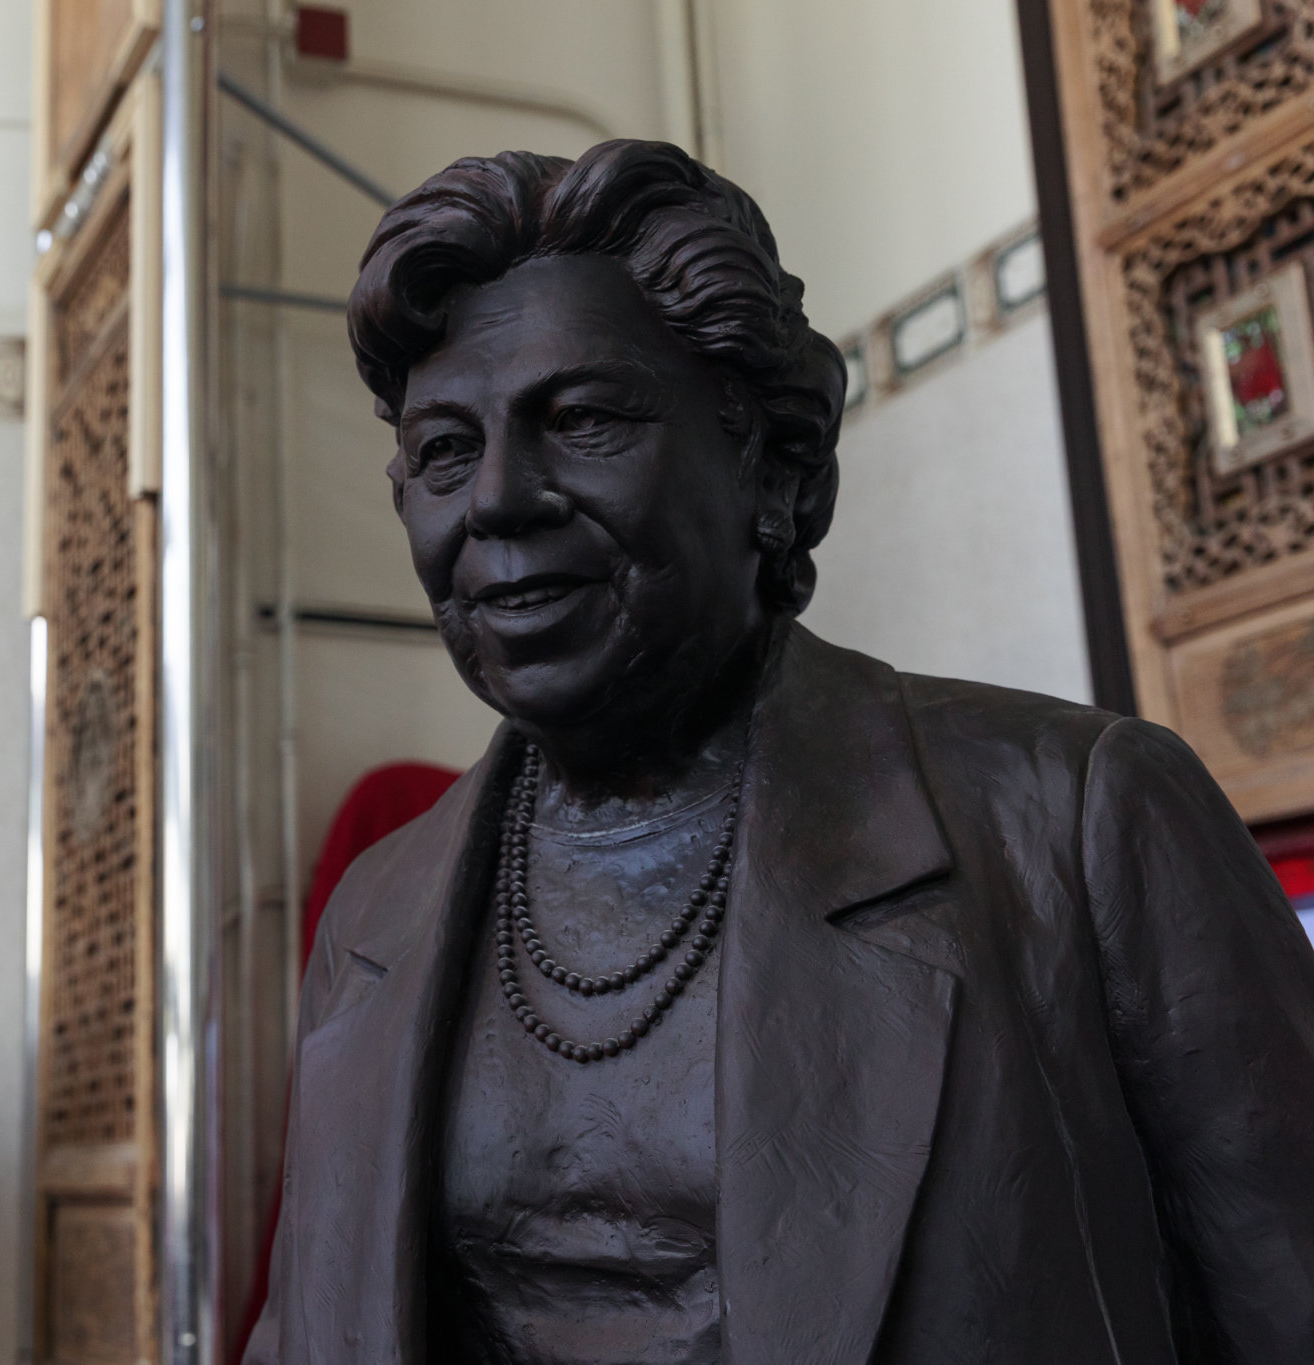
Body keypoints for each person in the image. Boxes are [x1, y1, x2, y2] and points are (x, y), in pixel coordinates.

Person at [243, 140, 1314, 1365]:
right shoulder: (375, 913)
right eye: (442, 450)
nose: (493, 498)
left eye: (582, 418)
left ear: (777, 468)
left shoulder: (1076, 820)